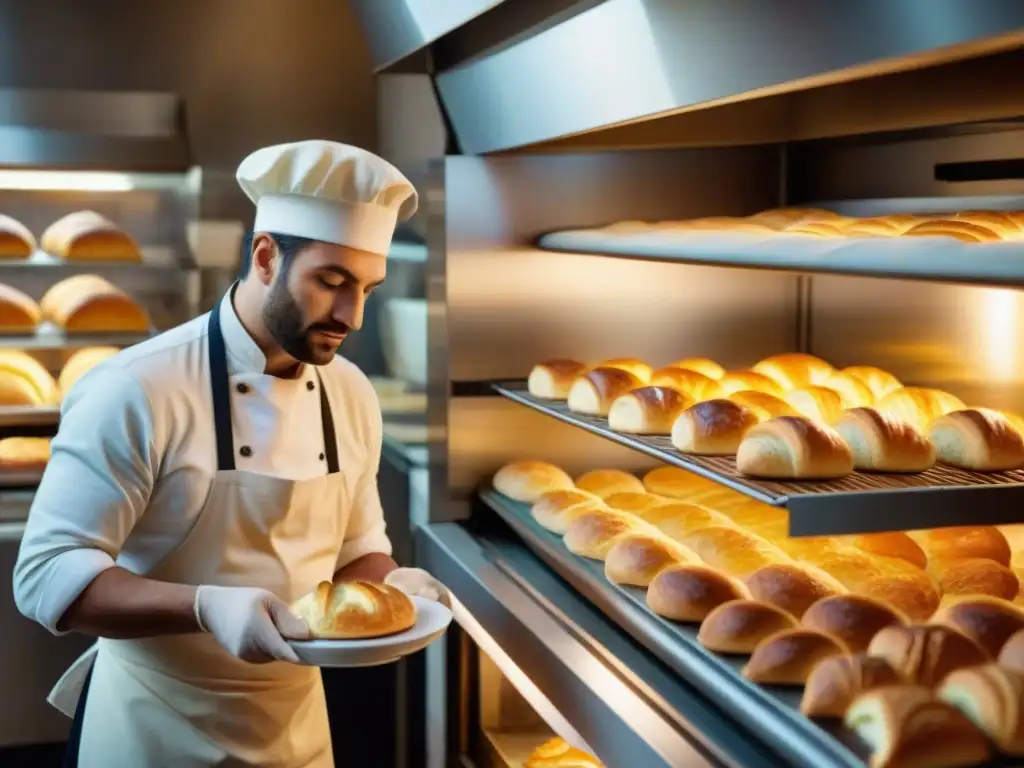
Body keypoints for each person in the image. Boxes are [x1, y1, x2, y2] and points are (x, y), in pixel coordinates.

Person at [12, 139, 449, 767]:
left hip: (294, 732)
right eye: (331, 282)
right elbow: (46, 575)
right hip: (152, 726)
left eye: (369, 289)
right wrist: (204, 604)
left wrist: (397, 589)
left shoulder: (350, 393)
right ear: (266, 256)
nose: (351, 315)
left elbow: (358, 553)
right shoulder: (138, 387)